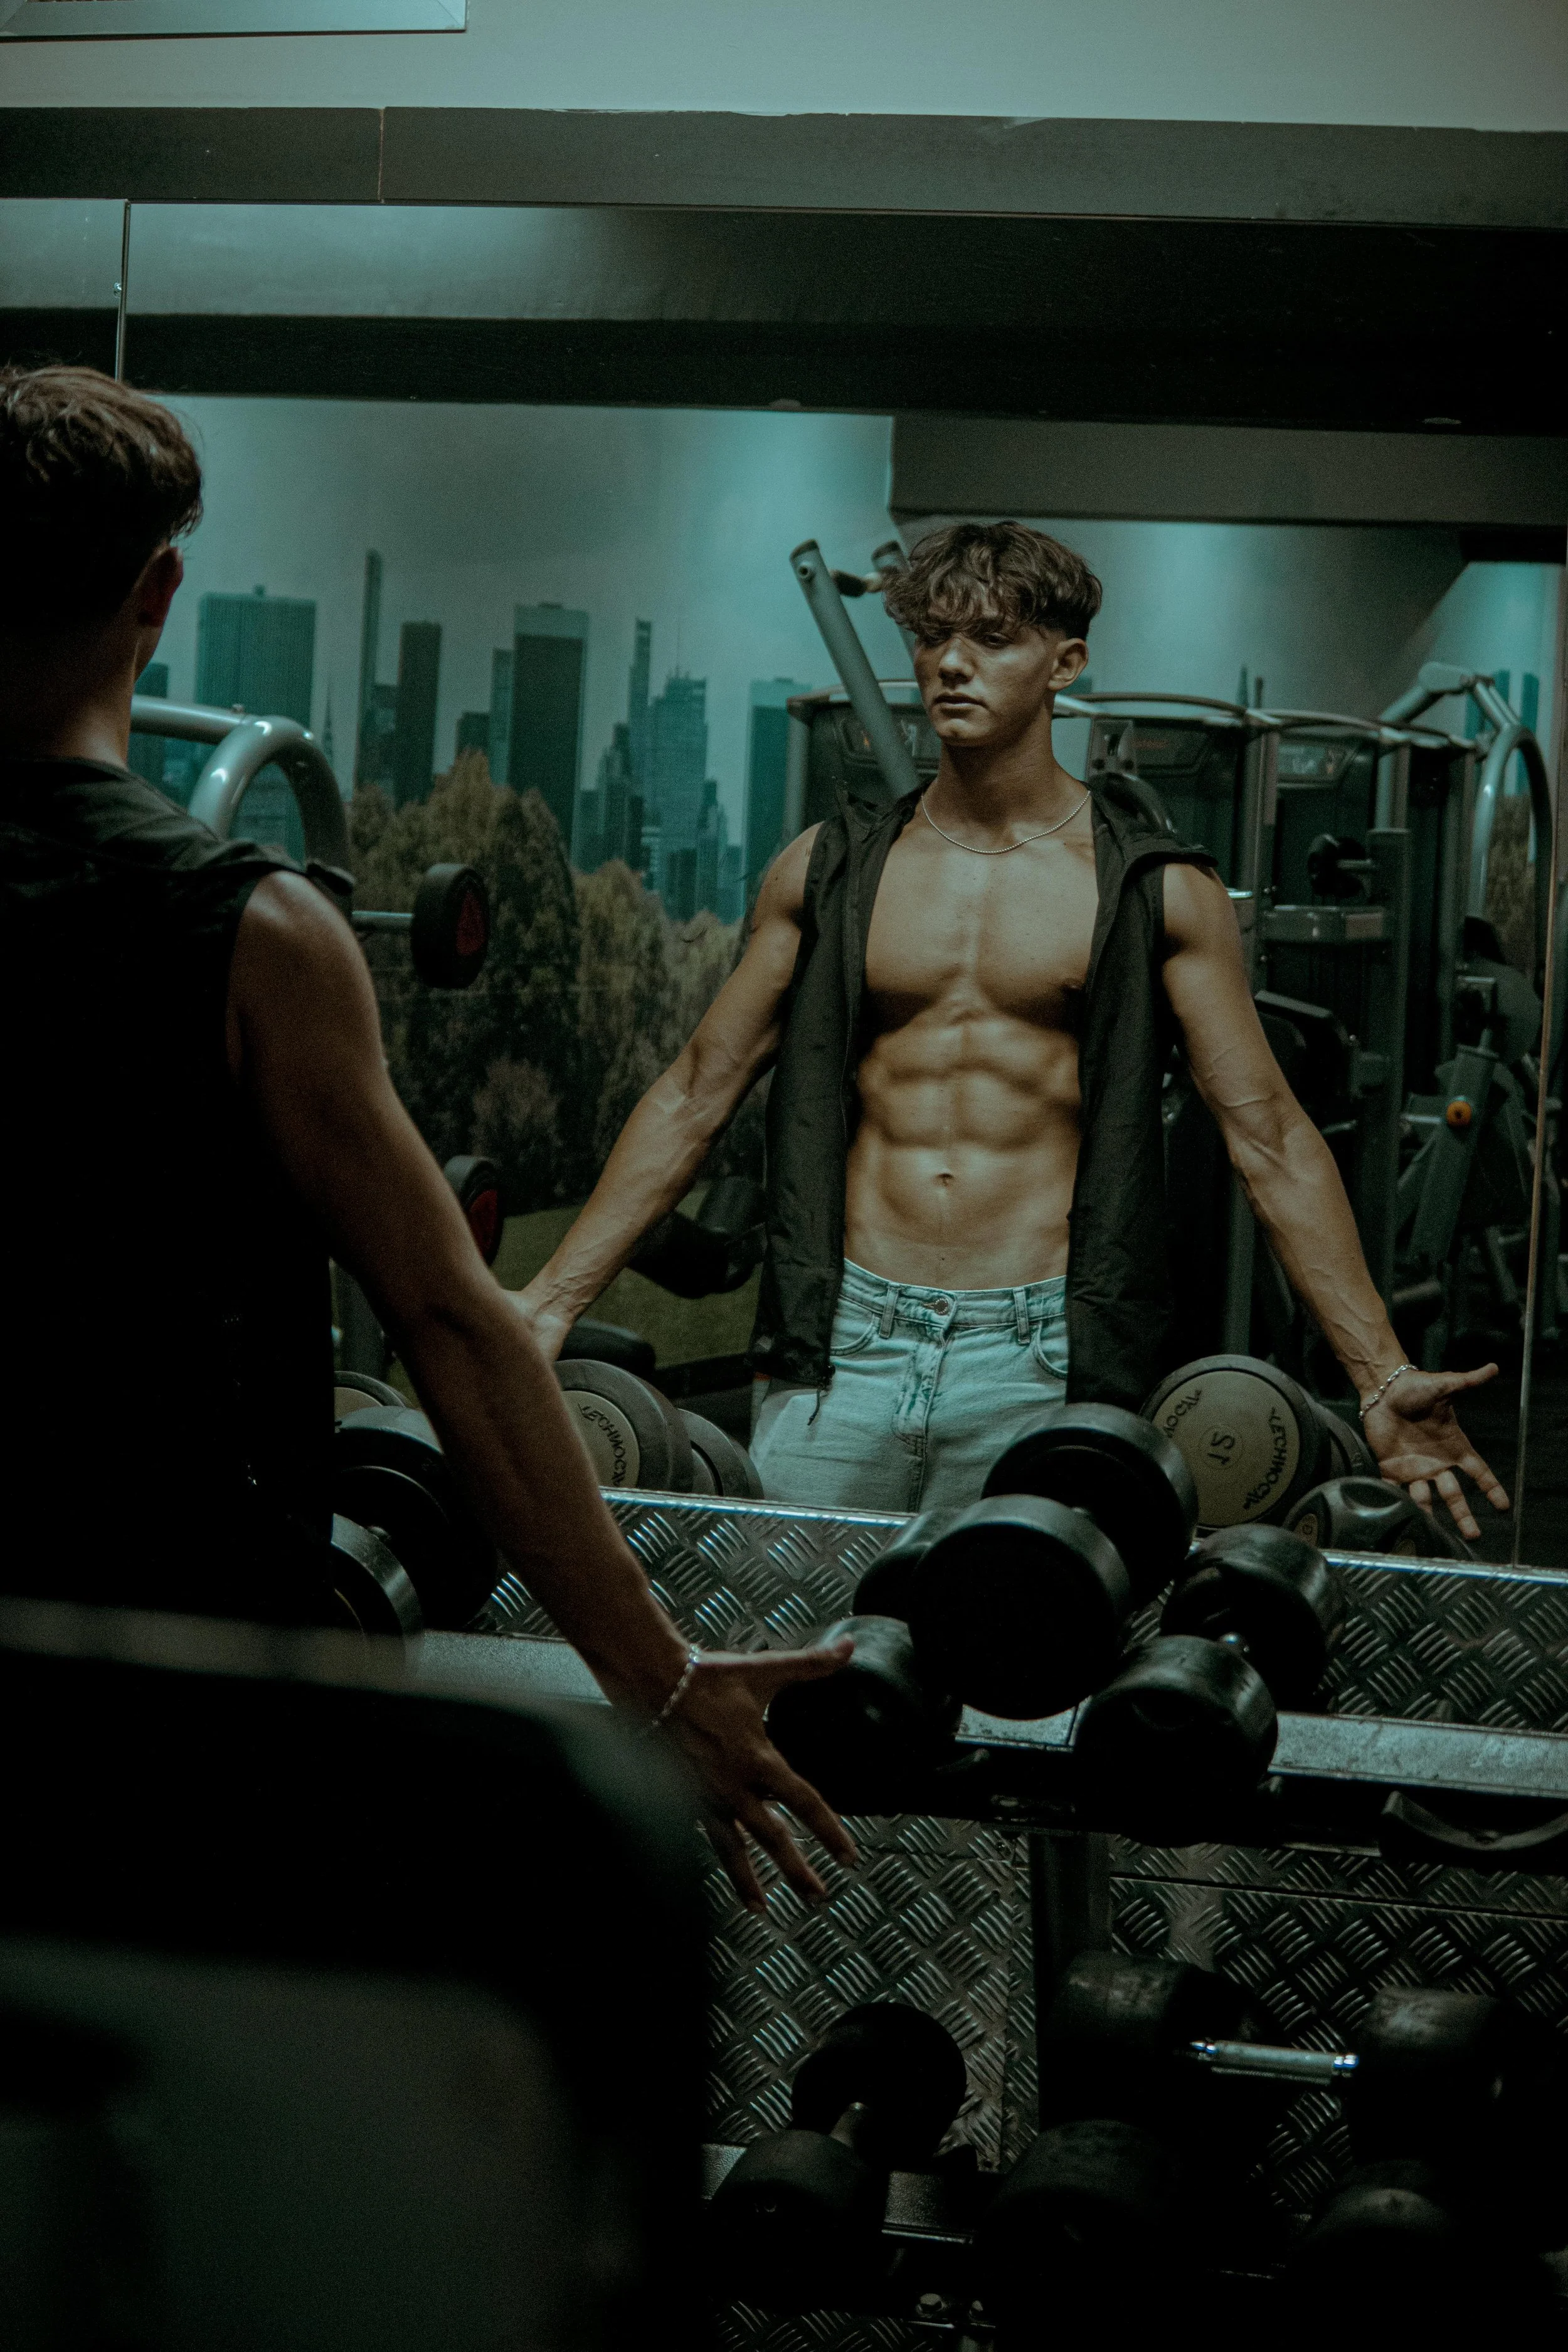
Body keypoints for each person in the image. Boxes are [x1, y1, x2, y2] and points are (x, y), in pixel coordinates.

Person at [0, 363, 852, 1917]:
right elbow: (453, 1325)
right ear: (162, 592)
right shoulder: (249, 928)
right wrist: (655, 1682)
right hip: (169, 1695)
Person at [522, 521, 1507, 1540]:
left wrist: (1379, 1371)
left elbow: (1271, 1138)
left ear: (1065, 663)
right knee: (798, 1666)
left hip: (1039, 1357)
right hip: (842, 1344)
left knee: (1017, 1677)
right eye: (933, 637)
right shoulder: (828, 868)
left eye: (991, 637)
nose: (951, 663)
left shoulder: (1154, 888)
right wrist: (549, 1302)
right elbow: (696, 1092)